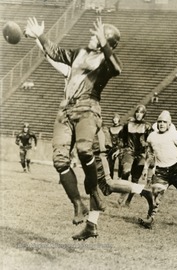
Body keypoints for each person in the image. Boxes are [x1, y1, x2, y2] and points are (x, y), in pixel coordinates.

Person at [25, 17, 122, 226]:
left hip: (88, 107)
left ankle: (94, 190)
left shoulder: (105, 62)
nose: (91, 37)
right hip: (66, 109)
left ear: (107, 41)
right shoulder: (80, 54)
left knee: (85, 150)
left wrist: (103, 41)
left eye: (97, 36)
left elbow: (117, 69)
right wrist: (39, 35)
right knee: (60, 161)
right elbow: (56, 52)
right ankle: (78, 204)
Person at [72, 127, 154, 240]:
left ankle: (143, 190)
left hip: (95, 157)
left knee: (107, 185)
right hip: (91, 156)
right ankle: (91, 225)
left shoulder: (89, 118)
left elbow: (96, 132)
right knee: (95, 188)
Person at [138, 110, 177, 229]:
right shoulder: (152, 136)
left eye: (164, 122)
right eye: (159, 122)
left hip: (176, 170)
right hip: (160, 171)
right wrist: (146, 168)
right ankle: (150, 219)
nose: (162, 124)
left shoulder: (174, 134)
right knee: (156, 195)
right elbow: (150, 154)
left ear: (169, 124)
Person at [113, 105, 153, 207]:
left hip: (141, 154)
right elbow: (121, 138)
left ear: (144, 114)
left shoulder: (148, 126)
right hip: (129, 151)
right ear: (135, 113)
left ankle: (128, 201)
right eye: (137, 112)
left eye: (141, 112)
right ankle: (123, 194)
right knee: (126, 172)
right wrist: (119, 149)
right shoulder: (128, 125)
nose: (139, 114)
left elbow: (151, 142)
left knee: (135, 179)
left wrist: (147, 151)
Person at [107, 113, 123, 179]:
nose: (115, 120)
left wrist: (120, 148)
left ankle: (120, 177)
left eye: (116, 118)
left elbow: (123, 138)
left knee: (121, 163)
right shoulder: (110, 128)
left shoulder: (122, 128)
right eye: (114, 118)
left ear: (119, 119)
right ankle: (111, 177)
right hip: (112, 147)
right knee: (110, 163)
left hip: (120, 147)